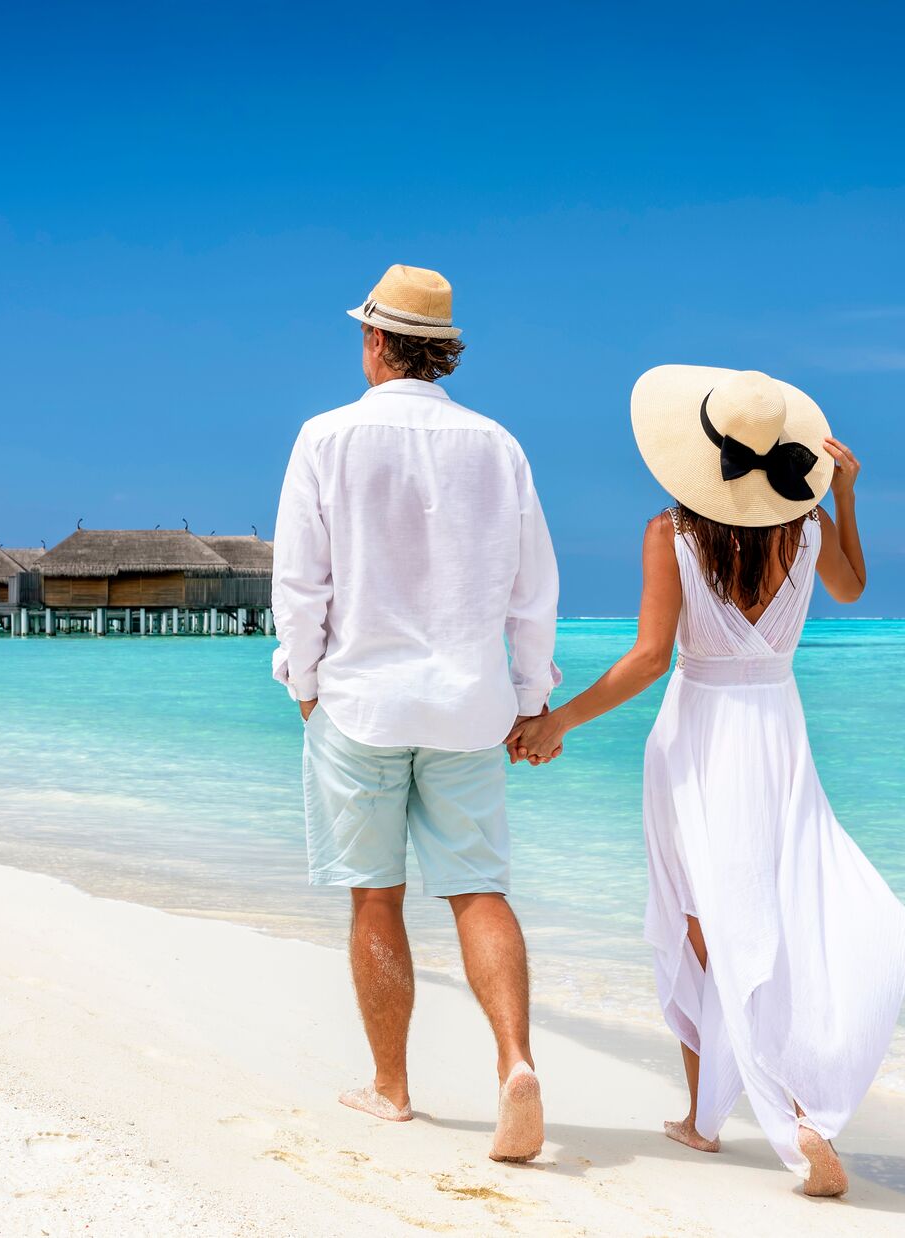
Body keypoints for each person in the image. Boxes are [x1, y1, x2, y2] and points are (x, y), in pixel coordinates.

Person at [511, 366, 905, 1196]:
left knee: (701, 922)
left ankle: (759, 1116)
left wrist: (559, 721)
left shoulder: (672, 532)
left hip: (697, 738)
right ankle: (759, 1110)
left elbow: (649, 659)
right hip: (778, 733)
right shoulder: (807, 524)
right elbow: (852, 588)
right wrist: (844, 497)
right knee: (777, 914)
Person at [270, 264, 561, 1164]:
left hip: (361, 700)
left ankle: (391, 1088)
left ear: (375, 341)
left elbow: (301, 581)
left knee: (376, 894)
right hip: (470, 705)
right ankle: (515, 1062)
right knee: (479, 889)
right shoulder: (498, 445)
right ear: (442, 350)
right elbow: (533, 591)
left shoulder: (326, 436)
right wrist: (530, 698)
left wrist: (304, 682)